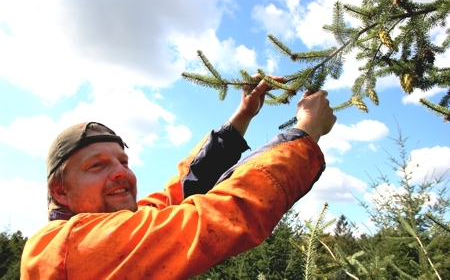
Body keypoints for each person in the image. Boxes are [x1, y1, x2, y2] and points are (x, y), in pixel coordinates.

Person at [20, 75, 336, 279]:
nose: (120, 172)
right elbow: (215, 219)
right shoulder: (61, 248)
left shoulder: (110, 233)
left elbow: (182, 189)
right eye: (96, 166)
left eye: (122, 161)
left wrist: (243, 115)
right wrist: (305, 131)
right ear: (60, 191)